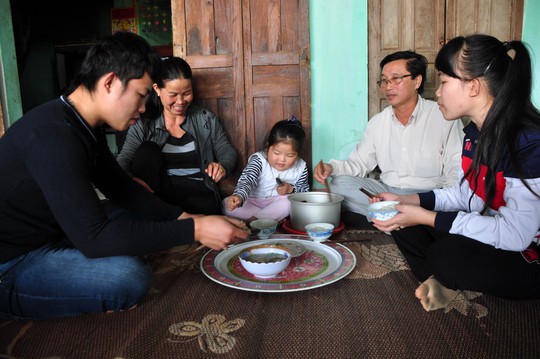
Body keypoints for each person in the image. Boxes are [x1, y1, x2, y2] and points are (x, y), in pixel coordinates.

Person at [0, 32, 249, 320]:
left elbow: (122, 189)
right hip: (12, 261)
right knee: (129, 277)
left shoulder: (81, 126)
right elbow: (94, 238)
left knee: (126, 216)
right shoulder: (52, 134)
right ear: (110, 82)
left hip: (55, 234)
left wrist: (189, 219)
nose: (144, 108)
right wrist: (196, 231)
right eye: (142, 95)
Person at [370, 34, 540, 312]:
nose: (437, 92)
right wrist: (410, 201)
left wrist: (426, 216)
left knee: (446, 254)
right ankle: (442, 280)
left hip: (526, 255)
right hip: (488, 232)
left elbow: (515, 236)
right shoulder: (475, 133)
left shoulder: (527, 142)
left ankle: (445, 277)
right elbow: (464, 193)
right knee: (401, 221)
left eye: (445, 82)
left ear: (472, 86)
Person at [314, 51, 464, 222]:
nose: (387, 86)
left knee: (458, 195)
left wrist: (449, 198)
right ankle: (408, 219)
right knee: (339, 184)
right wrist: (331, 168)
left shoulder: (443, 116)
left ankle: (392, 217)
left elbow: (456, 166)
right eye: (384, 80)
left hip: (426, 195)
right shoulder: (378, 122)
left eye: (395, 78)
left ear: (417, 81)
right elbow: (359, 163)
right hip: (387, 192)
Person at [116, 56, 237, 215]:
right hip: (160, 196)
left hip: (198, 194)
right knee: (147, 150)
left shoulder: (205, 119)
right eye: (173, 94)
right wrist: (131, 179)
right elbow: (123, 159)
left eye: (186, 93)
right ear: (157, 89)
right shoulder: (144, 123)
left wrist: (222, 166)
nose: (180, 101)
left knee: (205, 210)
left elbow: (227, 152)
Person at [222, 117, 310, 221]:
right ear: (268, 146)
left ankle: (256, 221)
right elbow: (247, 180)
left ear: (298, 154)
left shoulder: (301, 167)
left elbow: (305, 192)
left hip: (277, 204)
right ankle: (267, 220)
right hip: (251, 202)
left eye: (290, 155)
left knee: (289, 202)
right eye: (277, 153)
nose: (282, 159)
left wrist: (291, 189)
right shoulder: (259, 160)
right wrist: (239, 197)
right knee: (226, 205)